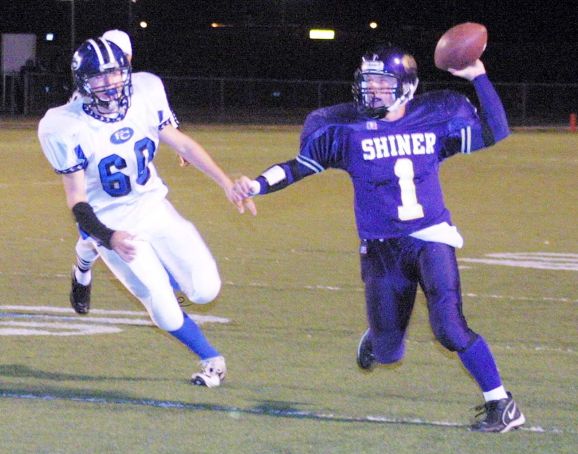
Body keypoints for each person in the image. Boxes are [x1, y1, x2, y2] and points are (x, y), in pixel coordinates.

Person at [233, 45, 525, 432]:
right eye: (367, 81)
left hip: (430, 236)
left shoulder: (433, 117)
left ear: (407, 87)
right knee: (389, 352)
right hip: (381, 246)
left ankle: (501, 403)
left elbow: (495, 129)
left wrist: (479, 77)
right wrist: (256, 185)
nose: (371, 90)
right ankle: (377, 338)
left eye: (382, 83)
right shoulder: (345, 129)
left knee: (449, 327)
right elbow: (299, 167)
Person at [38, 37, 255, 387]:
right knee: (165, 311)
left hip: (152, 205)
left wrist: (225, 182)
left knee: (205, 291)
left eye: (115, 73)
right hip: (110, 222)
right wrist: (108, 236)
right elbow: (76, 198)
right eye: (99, 77)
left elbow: (181, 142)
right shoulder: (63, 125)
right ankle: (212, 359)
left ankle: (86, 253)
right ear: (82, 82)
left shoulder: (146, 90)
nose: (110, 83)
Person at [69, 30, 133, 315]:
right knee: (94, 236)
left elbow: (159, 117)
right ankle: (82, 272)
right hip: (95, 175)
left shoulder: (135, 88)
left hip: (128, 173)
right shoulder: (85, 95)